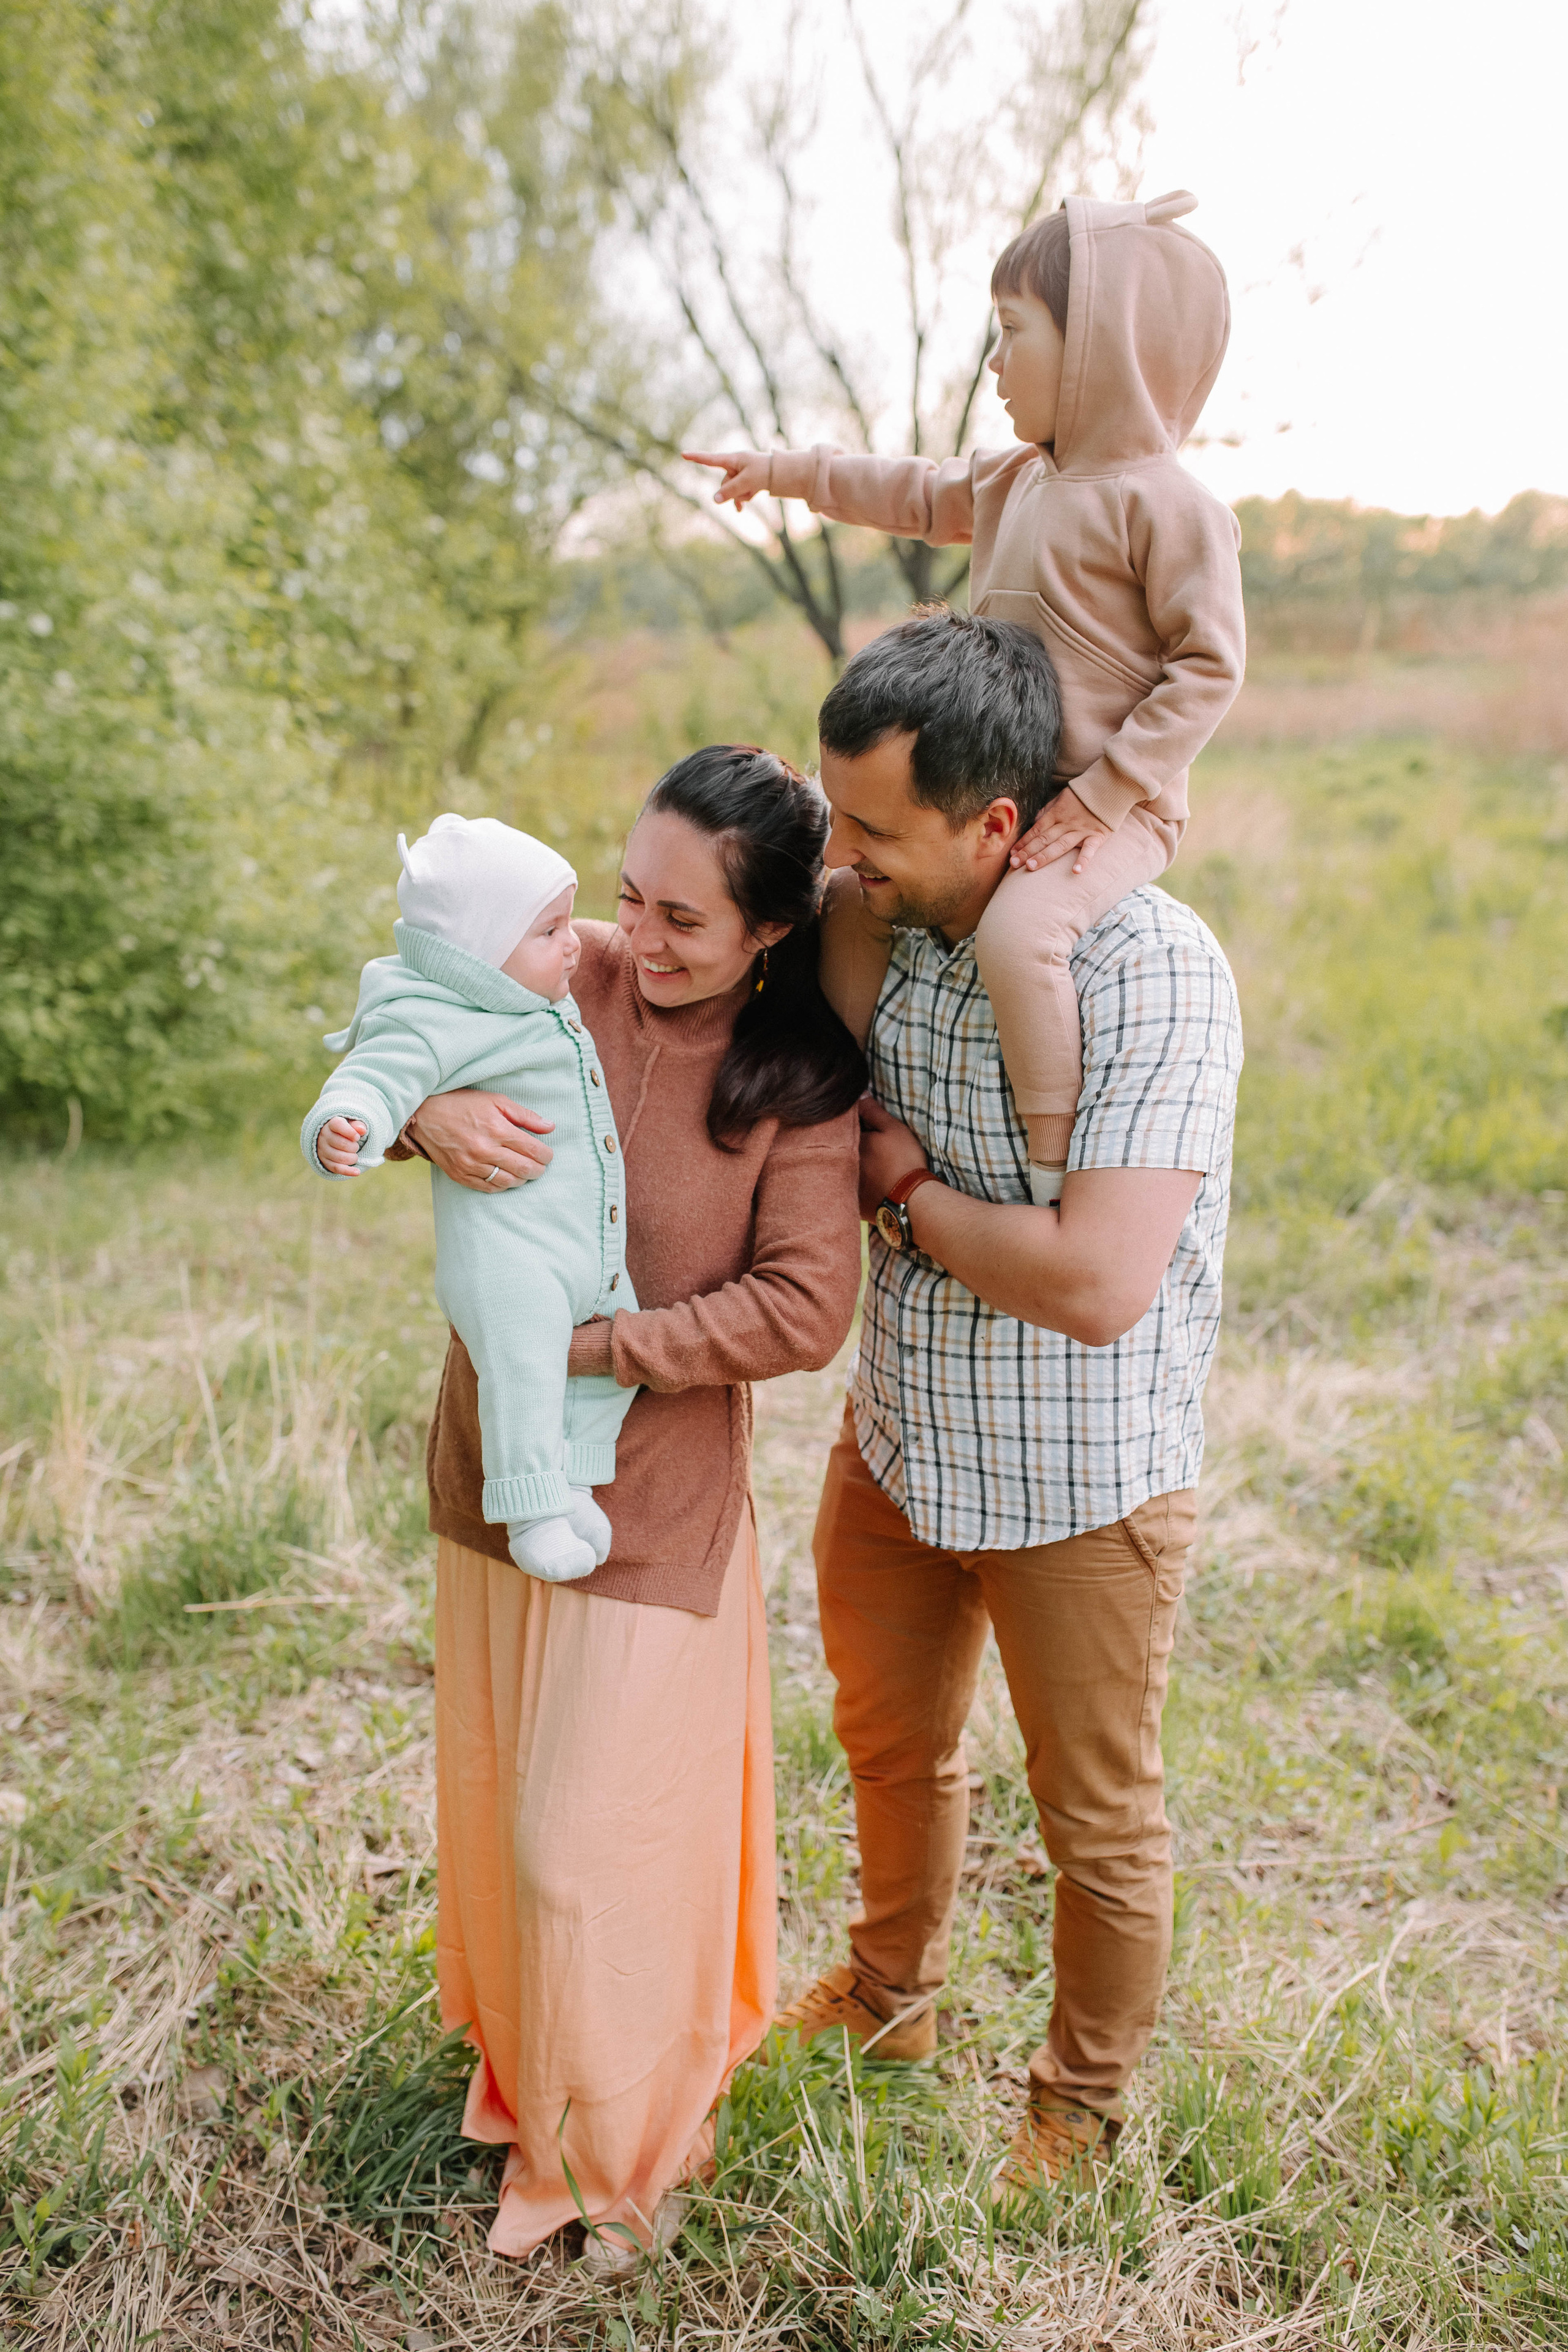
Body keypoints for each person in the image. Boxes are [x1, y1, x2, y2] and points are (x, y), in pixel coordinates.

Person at [771, 610, 1243, 2194]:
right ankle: (890, 1996)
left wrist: (898, 1188)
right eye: (836, 816)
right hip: (899, 1437)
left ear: (994, 824)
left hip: (1082, 1480)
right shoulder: (873, 924)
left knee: (1094, 1820)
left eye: (873, 830)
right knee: (891, 1749)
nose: (843, 856)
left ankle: (1082, 2104)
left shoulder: (1155, 970)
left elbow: (1097, 1280)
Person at [389, 748, 864, 2268]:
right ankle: (538, 2078)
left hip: (651, 1504)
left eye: (683, 922)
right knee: (500, 1805)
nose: (633, 941)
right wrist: (431, 1117)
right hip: (493, 1468)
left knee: (583, 1845)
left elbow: (802, 1306)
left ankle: (620, 2145)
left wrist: (602, 1346)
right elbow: (387, 1043)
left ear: (769, 932)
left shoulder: (796, 1081)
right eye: (624, 898)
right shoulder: (553, 975)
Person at [687, 189, 1245, 1208]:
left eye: (1013, 334)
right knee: (851, 902)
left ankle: (1048, 1154)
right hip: (989, 779)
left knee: (1019, 934)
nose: (993, 364)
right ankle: (833, 1093)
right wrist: (789, 471)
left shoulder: (1168, 507)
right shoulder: (1015, 481)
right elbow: (912, 487)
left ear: (1098, 349)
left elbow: (1209, 667)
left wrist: (1108, 793)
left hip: (1106, 807)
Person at [302, 813, 636, 1582]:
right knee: (525, 1367)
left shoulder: (529, 995)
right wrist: (347, 1123)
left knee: (621, 1349)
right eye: (550, 929)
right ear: (479, 956)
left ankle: (573, 1477)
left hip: (582, 1248)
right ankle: (529, 1504)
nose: (575, 942)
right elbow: (374, 1074)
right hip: (508, 1261)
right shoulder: (434, 1015)